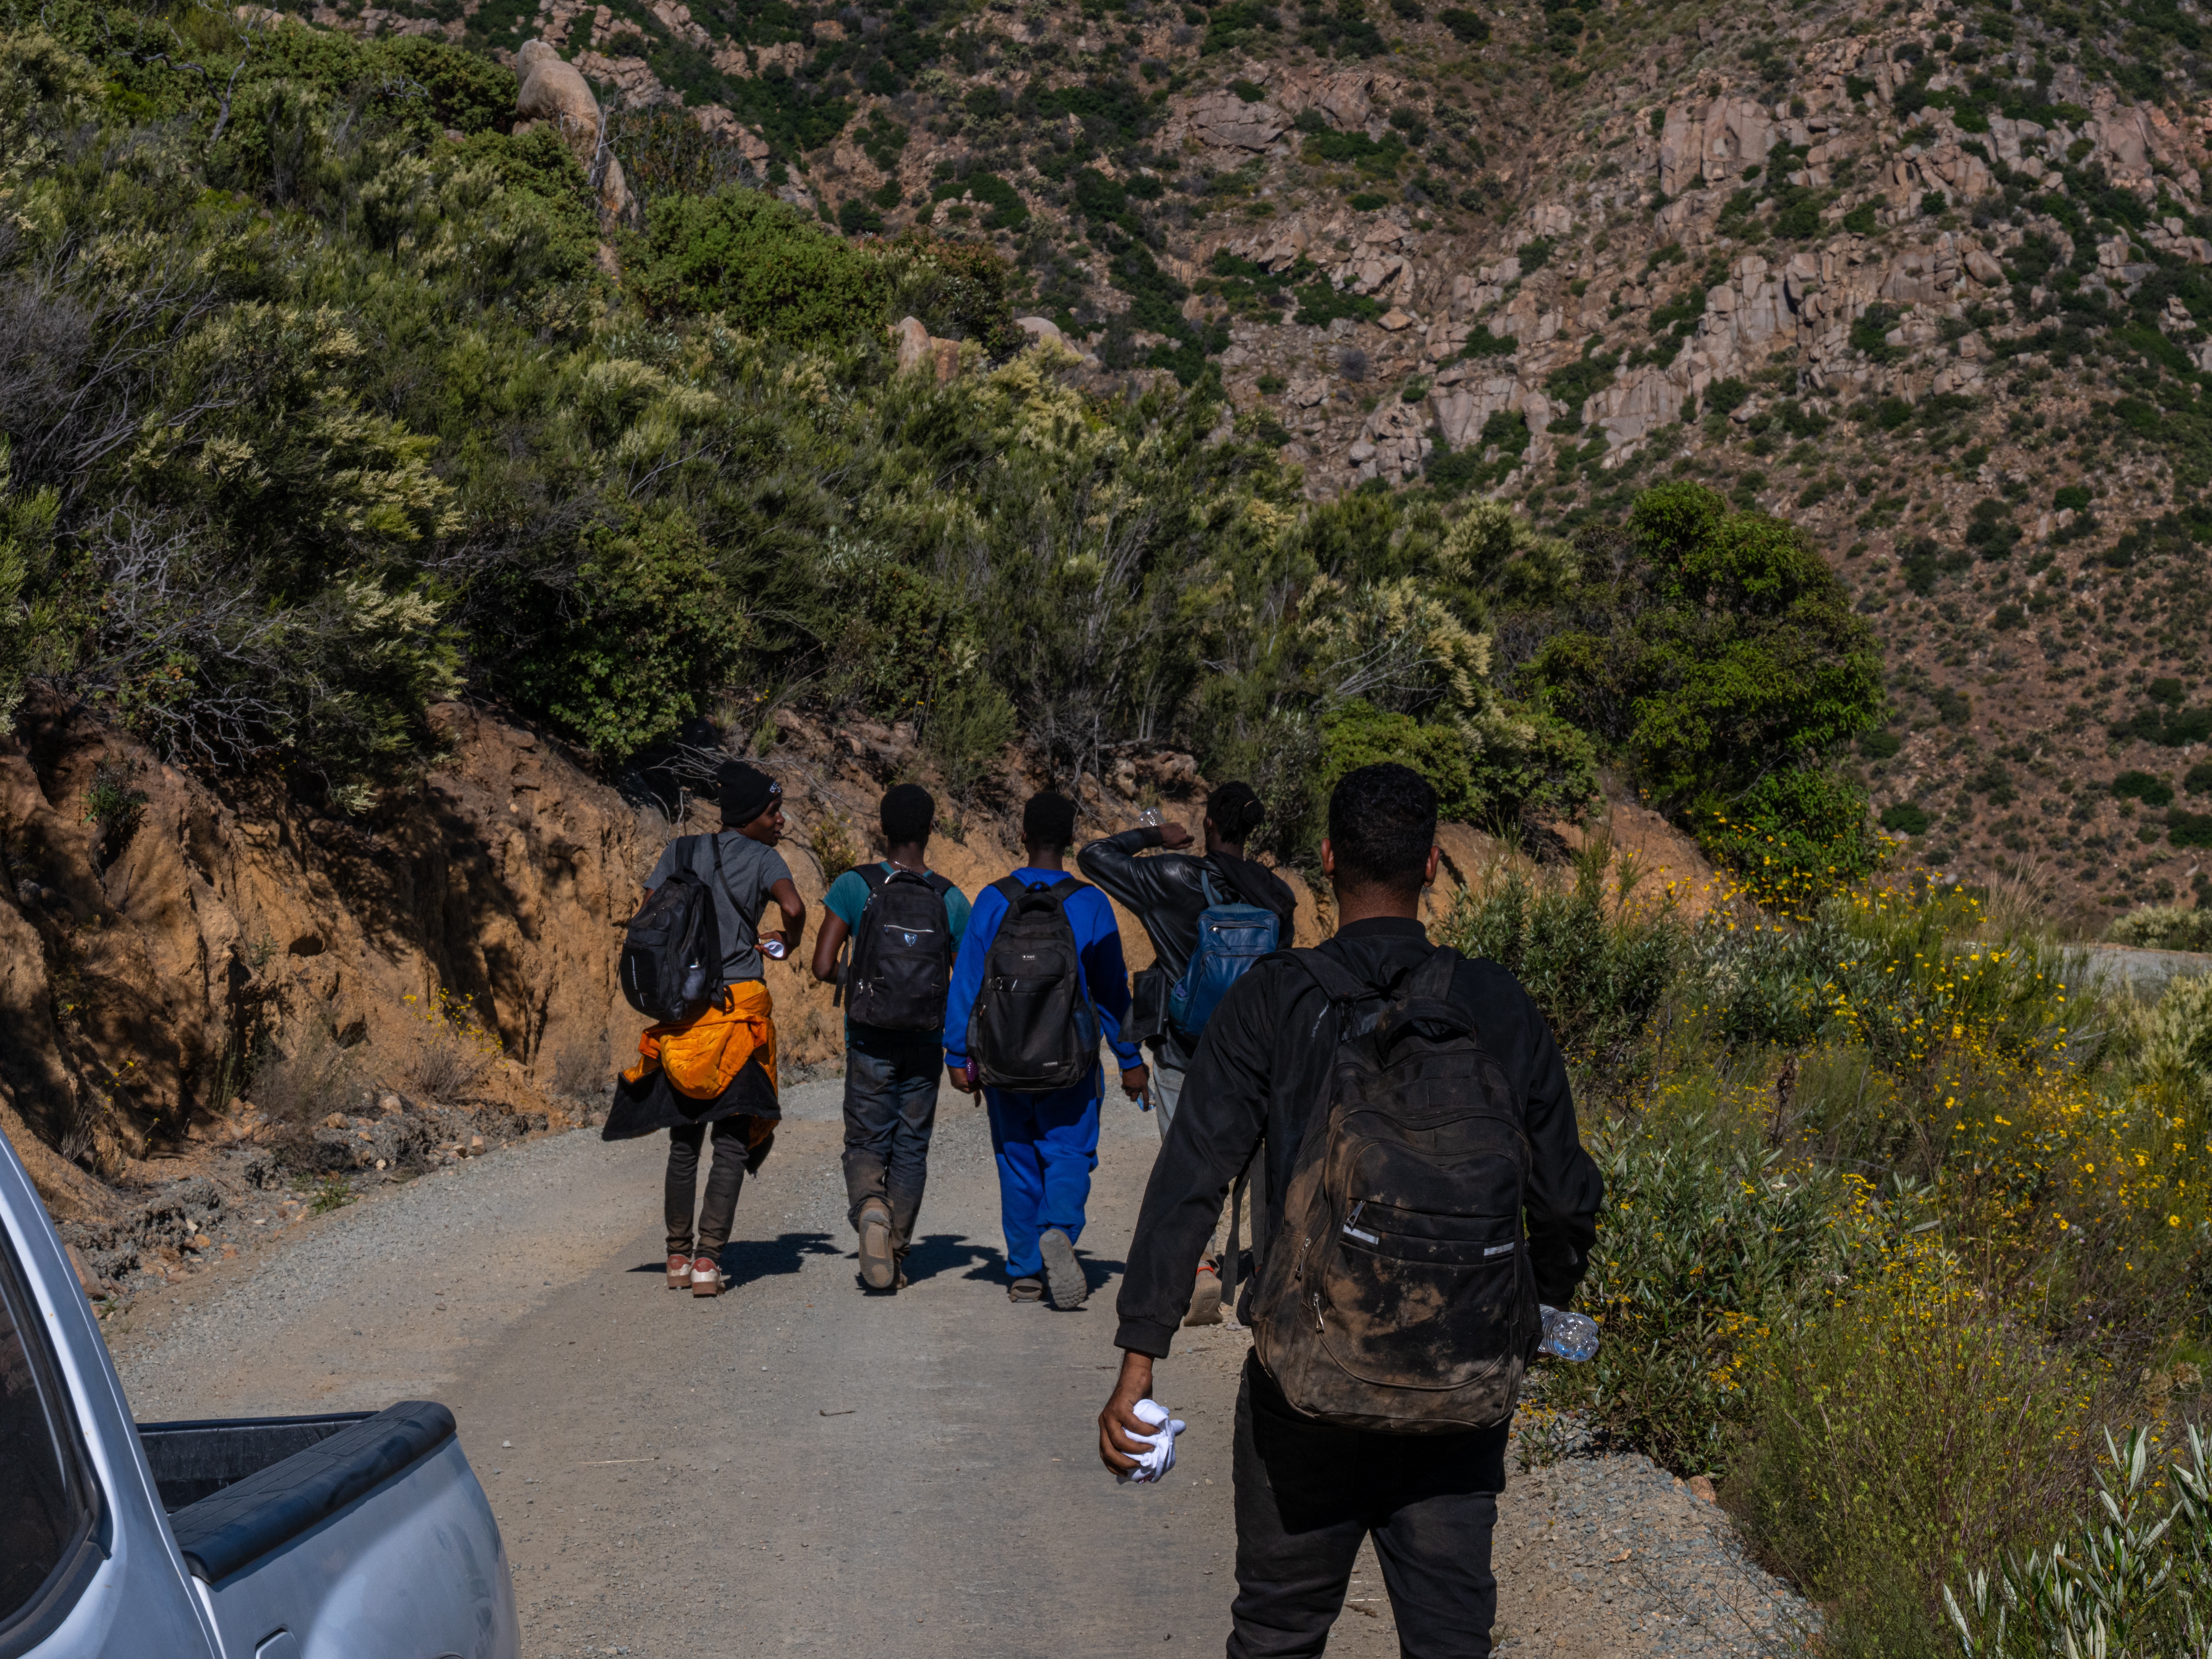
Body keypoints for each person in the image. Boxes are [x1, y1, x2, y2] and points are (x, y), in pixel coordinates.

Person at [1095, 763, 1605, 1658]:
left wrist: (1138, 1362)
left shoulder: (1272, 998)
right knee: (1449, 1640)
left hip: (1306, 1395)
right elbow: (1563, 1197)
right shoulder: (1495, 1003)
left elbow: (1189, 1180)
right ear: (1434, 864)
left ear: (1327, 860)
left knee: (1278, 1631)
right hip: (1457, 1392)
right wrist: (1536, 1313)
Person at [1078, 781, 1298, 1323]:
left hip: (1181, 1047)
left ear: (1208, 826)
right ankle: (1265, 1271)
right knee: (1254, 1166)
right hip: (1252, 1052)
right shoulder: (1276, 895)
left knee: (1186, 1161)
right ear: (1252, 831)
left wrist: (1156, 835)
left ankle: (1199, 1269)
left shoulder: (1171, 878)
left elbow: (1092, 857)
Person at [603, 761, 807, 1299]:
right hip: (737, 1013)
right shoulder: (765, 859)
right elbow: (794, 906)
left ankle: (675, 1256)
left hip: (683, 1014)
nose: (780, 821)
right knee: (733, 1142)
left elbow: (647, 917)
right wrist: (788, 942)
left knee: (685, 1141)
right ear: (751, 816)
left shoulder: (679, 852)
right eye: (773, 812)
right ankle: (707, 1263)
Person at [942, 790, 1148, 1311]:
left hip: (1003, 1061)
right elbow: (1110, 992)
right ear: (1071, 839)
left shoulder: (992, 899)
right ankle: (1058, 1228)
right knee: (1069, 1153)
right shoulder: (1090, 903)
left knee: (1016, 1160)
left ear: (1023, 837)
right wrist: (1129, 1060)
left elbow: (967, 985)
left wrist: (956, 1057)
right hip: (1071, 1063)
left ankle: (1024, 1274)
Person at [810, 783, 972, 1294]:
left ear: (882, 827)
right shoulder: (949, 898)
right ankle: (895, 1252)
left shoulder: (854, 886)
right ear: (928, 831)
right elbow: (965, 981)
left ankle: (871, 1210)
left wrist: (858, 980)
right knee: (911, 1148)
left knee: (865, 1139)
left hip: (868, 1037)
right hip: (925, 1043)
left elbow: (820, 964)